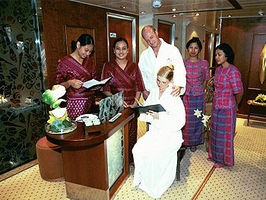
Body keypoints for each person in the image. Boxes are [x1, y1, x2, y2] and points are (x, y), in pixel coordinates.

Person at [132, 65, 185, 199]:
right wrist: (145, 111)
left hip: (170, 134)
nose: (160, 85)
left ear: (170, 81)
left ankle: (155, 183)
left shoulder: (174, 95)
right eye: (158, 80)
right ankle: (144, 179)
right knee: (138, 149)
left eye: (164, 82)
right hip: (155, 131)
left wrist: (159, 117)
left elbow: (180, 121)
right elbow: (147, 110)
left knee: (155, 154)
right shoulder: (154, 92)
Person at [101, 37, 145, 164]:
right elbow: (104, 88)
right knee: (116, 135)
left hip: (131, 105)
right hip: (116, 106)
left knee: (131, 134)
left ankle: (130, 160)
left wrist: (136, 102)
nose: (121, 51)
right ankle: (117, 162)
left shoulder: (134, 66)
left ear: (128, 51)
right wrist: (118, 101)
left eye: (124, 48)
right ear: (114, 51)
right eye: (118, 48)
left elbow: (139, 86)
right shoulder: (108, 66)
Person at [208, 43, 243, 168]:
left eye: (219, 54)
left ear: (226, 56)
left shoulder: (233, 71)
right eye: (216, 55)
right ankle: (214, 156)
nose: (217, 57)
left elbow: (239, 91)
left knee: (225, 135)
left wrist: (235, 105)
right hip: (216, 106)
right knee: (215, 132)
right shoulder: (218, 70)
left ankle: (224, 160)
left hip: (228, 108)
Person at [55, 34, 96, 120]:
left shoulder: (90, 62)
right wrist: (69, 83)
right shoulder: (64, 62)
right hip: (74, 106)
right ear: (78, 45)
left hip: (90, 104)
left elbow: (94, 78)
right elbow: (57, 86)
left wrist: (97, 85)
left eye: (90, 52)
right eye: (86, 50)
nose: (87, 54)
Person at [139, 25, 186, 99]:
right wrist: (144, 91)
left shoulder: (172, 50)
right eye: (147, 40)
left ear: (156, 33)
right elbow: (141, 75)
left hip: (170, 93)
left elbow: (180, 70)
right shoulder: (144, 55)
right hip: (151, 95)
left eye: (152, 37)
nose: (151, 41)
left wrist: (179, 86)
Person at [182, 37, 210, 152]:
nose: (193, 50)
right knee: (186, 119)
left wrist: (201, 90)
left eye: (196, 48)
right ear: (187, 49)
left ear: (199, 50)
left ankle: (194, 142)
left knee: (197, 119)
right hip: (186, 95)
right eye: (191, 48)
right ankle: (185, 141)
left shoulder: (204, 63)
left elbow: (205, 79)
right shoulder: (183, 62)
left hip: (198, 96)